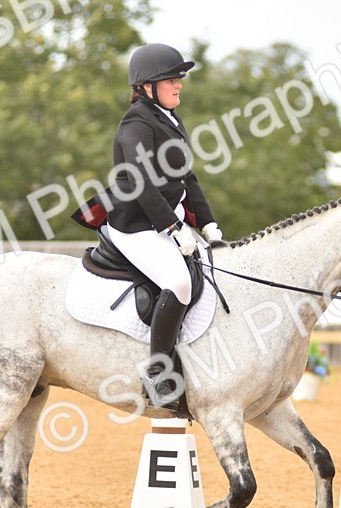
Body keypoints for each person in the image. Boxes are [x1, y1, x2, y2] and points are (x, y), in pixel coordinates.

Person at [104, 42, 224, 410]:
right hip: (136, 225)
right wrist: (173, 228)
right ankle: (157, 376)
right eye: (171, 79)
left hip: (164, 221)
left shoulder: (169, 118)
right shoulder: (136, 122)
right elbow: (140, 180)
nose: (179, 85)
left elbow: (187, 178)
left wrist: (209, 224)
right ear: (146, 86)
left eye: (179, 79)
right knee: (179, 281)